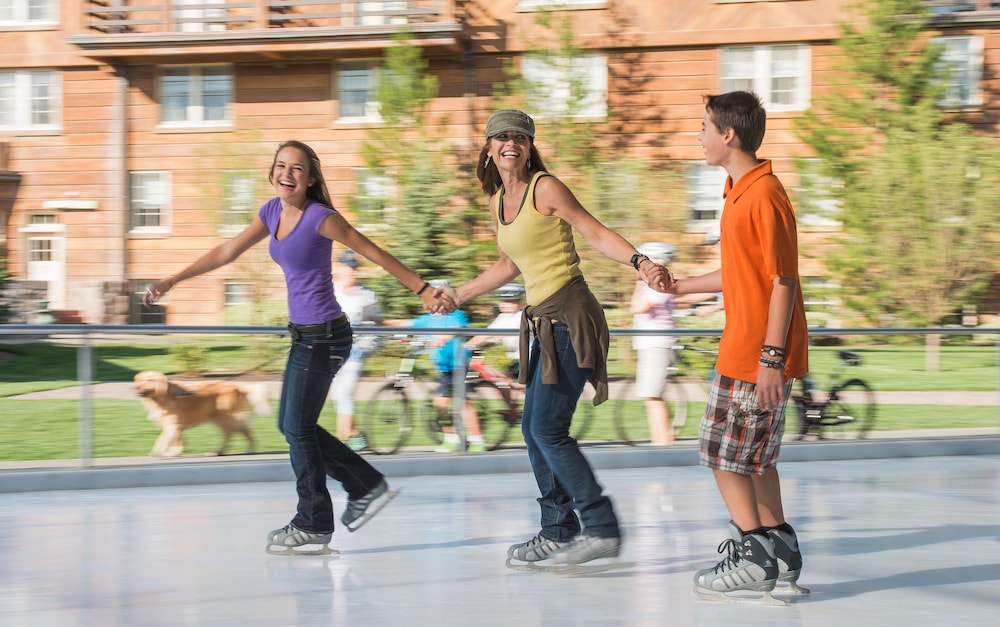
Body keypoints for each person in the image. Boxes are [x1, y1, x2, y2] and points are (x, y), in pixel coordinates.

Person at [144, 140, 448, 555]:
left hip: (326, 335)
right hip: (305, 334)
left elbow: (374, 252)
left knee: (297, 428)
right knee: (291, 426)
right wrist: (173, 280)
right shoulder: (271, 211)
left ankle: (314, 521)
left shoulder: (322, 217)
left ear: (311, 178)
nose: (287, 174)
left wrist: (424, 289)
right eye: (281, 165)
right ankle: (364, 485)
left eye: (298, 168)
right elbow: (227, 251)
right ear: (272, 172)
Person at [441, 109, 672, 567]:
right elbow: (510, 264)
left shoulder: (545, 187)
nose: (511, 144)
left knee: (547, 428)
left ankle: (600, 526)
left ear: (529, 147)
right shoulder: (498, 203)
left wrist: (642, 263)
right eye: (502, 138)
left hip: (571, 314)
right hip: (543, 321)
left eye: (520, 138)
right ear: (488, 148)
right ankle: (558, 530)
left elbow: (594, 231)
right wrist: (459, 294)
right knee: (533, 430)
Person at [669, 92, 809, 603]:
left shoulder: (764, 194)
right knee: (756, 458)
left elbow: (783, 282)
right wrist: (681, 286)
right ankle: (779, 545)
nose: (699, 136)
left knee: (721, 455)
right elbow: (740, 274)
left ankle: (753, 556)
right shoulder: (738, 190)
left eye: (703, 127)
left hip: (755, 354)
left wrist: (771, 359)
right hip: (751, 349)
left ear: (729, 135)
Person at [410, 282, 487, 453]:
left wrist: (442, 339)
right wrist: (378, 324)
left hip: (459, 365)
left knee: (462, 403)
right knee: (440, 403)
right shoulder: (427, 319)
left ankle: (477, 440)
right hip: (444, 368)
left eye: (439, 296)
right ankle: (451, 438)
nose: (436, 300)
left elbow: (457, 329)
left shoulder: (456, 315)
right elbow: (405, 324)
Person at [328, 250, 382, 452]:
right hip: (332, 349)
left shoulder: (367, 294)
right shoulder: (331, 290)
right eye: (347, 267)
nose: (351, 271)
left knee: (345, 393)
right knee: (337, 395)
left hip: (355, 350)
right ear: (340, 268)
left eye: (354, 267)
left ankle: (342, 440)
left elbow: (377, 320)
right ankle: (355, 435)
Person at [629, 242, 678, 446]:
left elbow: (637, 307)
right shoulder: (653, 285)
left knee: (653, 396)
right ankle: (662, 440)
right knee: (652, 396)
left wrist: (640, 284)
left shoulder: (657, 286)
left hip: (656, 344)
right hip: (650, 344)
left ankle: (663, 443)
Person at [466, 282, 526, 380]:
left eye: (509, 301)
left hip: (527, 360)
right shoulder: (504, 317)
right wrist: (486, 344)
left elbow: (484, 335)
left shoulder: (519, 316)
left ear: (519, 303)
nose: (503, 304)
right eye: (503, 301)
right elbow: (496, 336)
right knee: (506, 380)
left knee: (507, 380)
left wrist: (464, 347)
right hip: (518, 359)